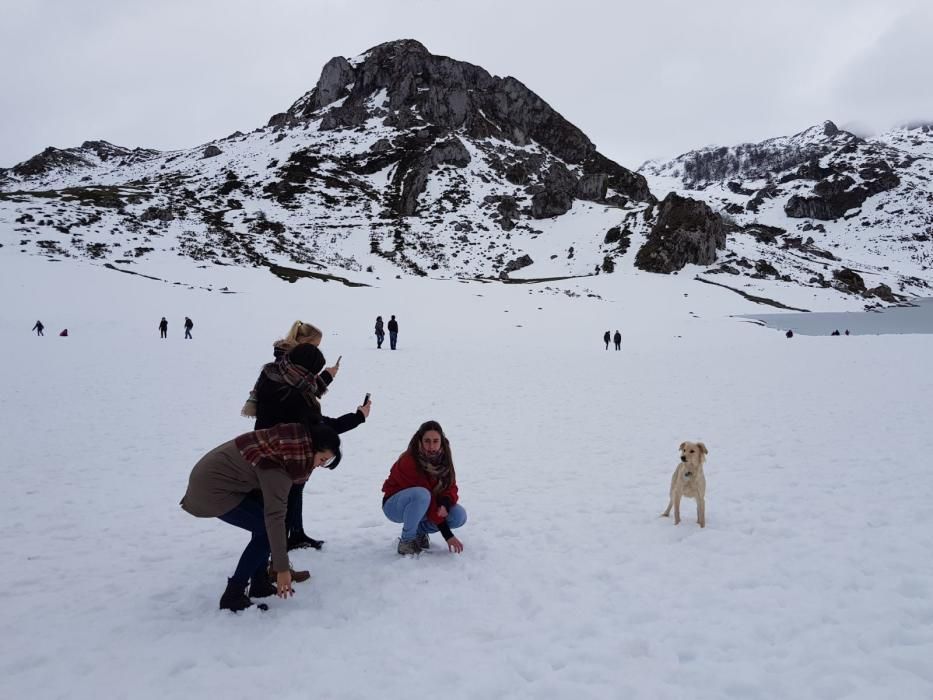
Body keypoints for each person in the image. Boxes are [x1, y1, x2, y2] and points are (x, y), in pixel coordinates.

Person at [180, 422, 342, 612]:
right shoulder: (279, 465)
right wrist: (281, 569)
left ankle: (259, 583)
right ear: (310, 449)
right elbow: (274, 516)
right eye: (322, 459)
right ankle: (233, 594)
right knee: (267, 529)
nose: (321, 466)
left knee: (263, 527)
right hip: (212, 491)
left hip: (223, 483)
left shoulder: (288, 445)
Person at [250, 343, 369, 554]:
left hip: (265, 445)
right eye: (313, 372)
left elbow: (309, 387)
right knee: (280, 507)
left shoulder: (274, 375)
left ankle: (294, 536)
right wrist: (358, 417)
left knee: (291, 495)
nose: (314, 377)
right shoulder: (293, 396)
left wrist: (328, 376)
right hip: (281, 456)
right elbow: (320, 427)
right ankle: (276, 565)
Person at [382, 420, 466, 555]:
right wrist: (448, 535)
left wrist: (445, 503)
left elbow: (451, 486)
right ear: (420, 441)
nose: (431, 446)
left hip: (424, 504)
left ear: (441, 441)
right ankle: (407, 542)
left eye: (435, 441)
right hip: (395, 505)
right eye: (427, 441)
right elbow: (429, 500)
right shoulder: (409, 460)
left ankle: (419, 532)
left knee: (458, 515)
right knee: (422, 495)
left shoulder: (444, 458)